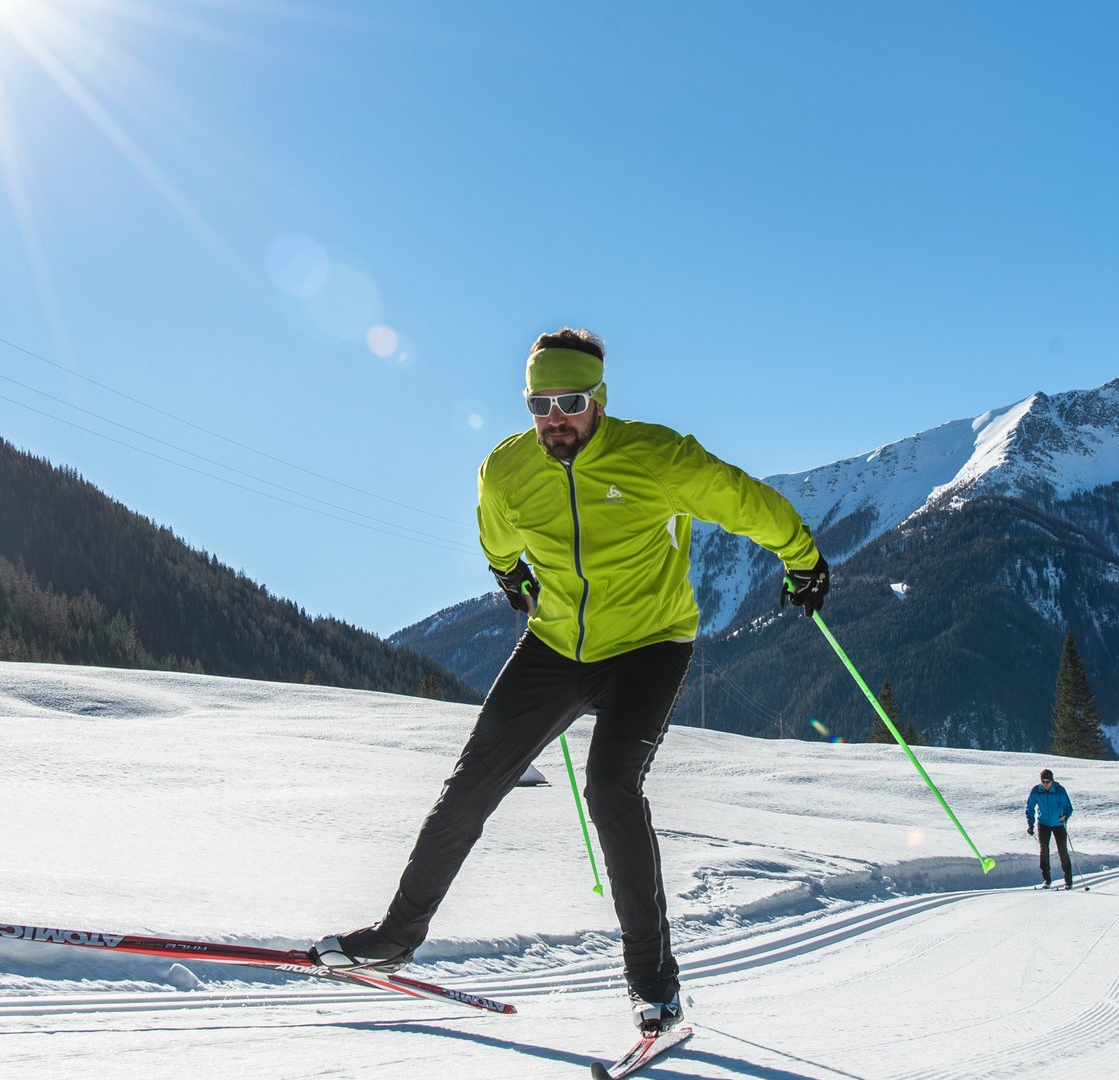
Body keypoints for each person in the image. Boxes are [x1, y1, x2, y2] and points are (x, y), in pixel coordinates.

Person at [313, 327, 829, 1033]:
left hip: (650, 643)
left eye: (572, 400)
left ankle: (654, 984)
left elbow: (741, 500)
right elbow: (496, 532)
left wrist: (802, 558)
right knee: (471, 783)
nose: (555, 416)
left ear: (600, 400)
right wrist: (507, 571)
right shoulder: (507, 468)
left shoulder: (656, 456)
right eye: (540, 402)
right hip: (555, 644)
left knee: (612, 788)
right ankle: (396, 937)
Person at [1025, 767, 1074, 889]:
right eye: (1044, 781)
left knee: (1062, 851)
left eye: (1048, 781)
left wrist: (1065, 816)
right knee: (1044, 851)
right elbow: (1030, 807)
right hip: (1043, 824)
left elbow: (1068, 807)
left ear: (1052, 781)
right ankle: (1047, 880)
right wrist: (1030, 823)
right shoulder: (1037, 791)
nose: (1046, 784)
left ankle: (1068, 881)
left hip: (1058, 824)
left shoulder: (1059, 790)